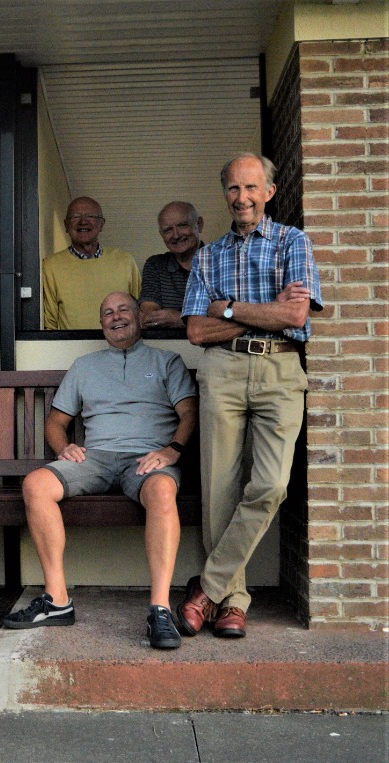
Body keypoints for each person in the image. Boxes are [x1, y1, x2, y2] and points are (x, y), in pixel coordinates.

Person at [178, 152, 322, 640]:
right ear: (226, 196)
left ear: (269, 193)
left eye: (251, 188)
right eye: (234, 189)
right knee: (219, 490)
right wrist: (263, 310)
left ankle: (208, 590)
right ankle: (233, 604)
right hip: (221, 370)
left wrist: (232, 307)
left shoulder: (292, 242)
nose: (242, 198)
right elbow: (197, 330)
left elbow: (295, 318)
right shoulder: (208, 255)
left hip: (280, 369)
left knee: (271, 484)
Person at [3, 292, 197, 650]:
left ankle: (160, 609)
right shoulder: (84, 367)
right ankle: (57, 600)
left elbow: (188, 413)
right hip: (96, 459)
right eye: (107, 313)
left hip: (146, 459)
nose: (116, 317)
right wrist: (64, 447)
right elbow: (56, 421)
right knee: (36, 484)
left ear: (139, 317)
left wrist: (172, 451)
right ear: (101, 323)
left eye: (124, 310)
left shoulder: (167, 361)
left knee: (162, 493)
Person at [42, 197, 141, 330]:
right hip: (71, 348)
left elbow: (139, 313)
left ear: (101, 224)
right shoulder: (50, 266)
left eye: (90, 216)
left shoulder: (125, 261)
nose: (83, 222)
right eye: (75, 217)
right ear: (66, 225)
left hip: (120, 347)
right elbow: (50, 323)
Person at [140, 201, 205, 330]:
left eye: (182, 225)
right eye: (168, 230)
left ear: (199, 224)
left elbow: (228, 316)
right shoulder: (155, 265)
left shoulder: (221, 261)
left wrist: (180, 319)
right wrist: (201, 319)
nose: (176, 235)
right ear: (161, 234)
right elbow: (149, 317)